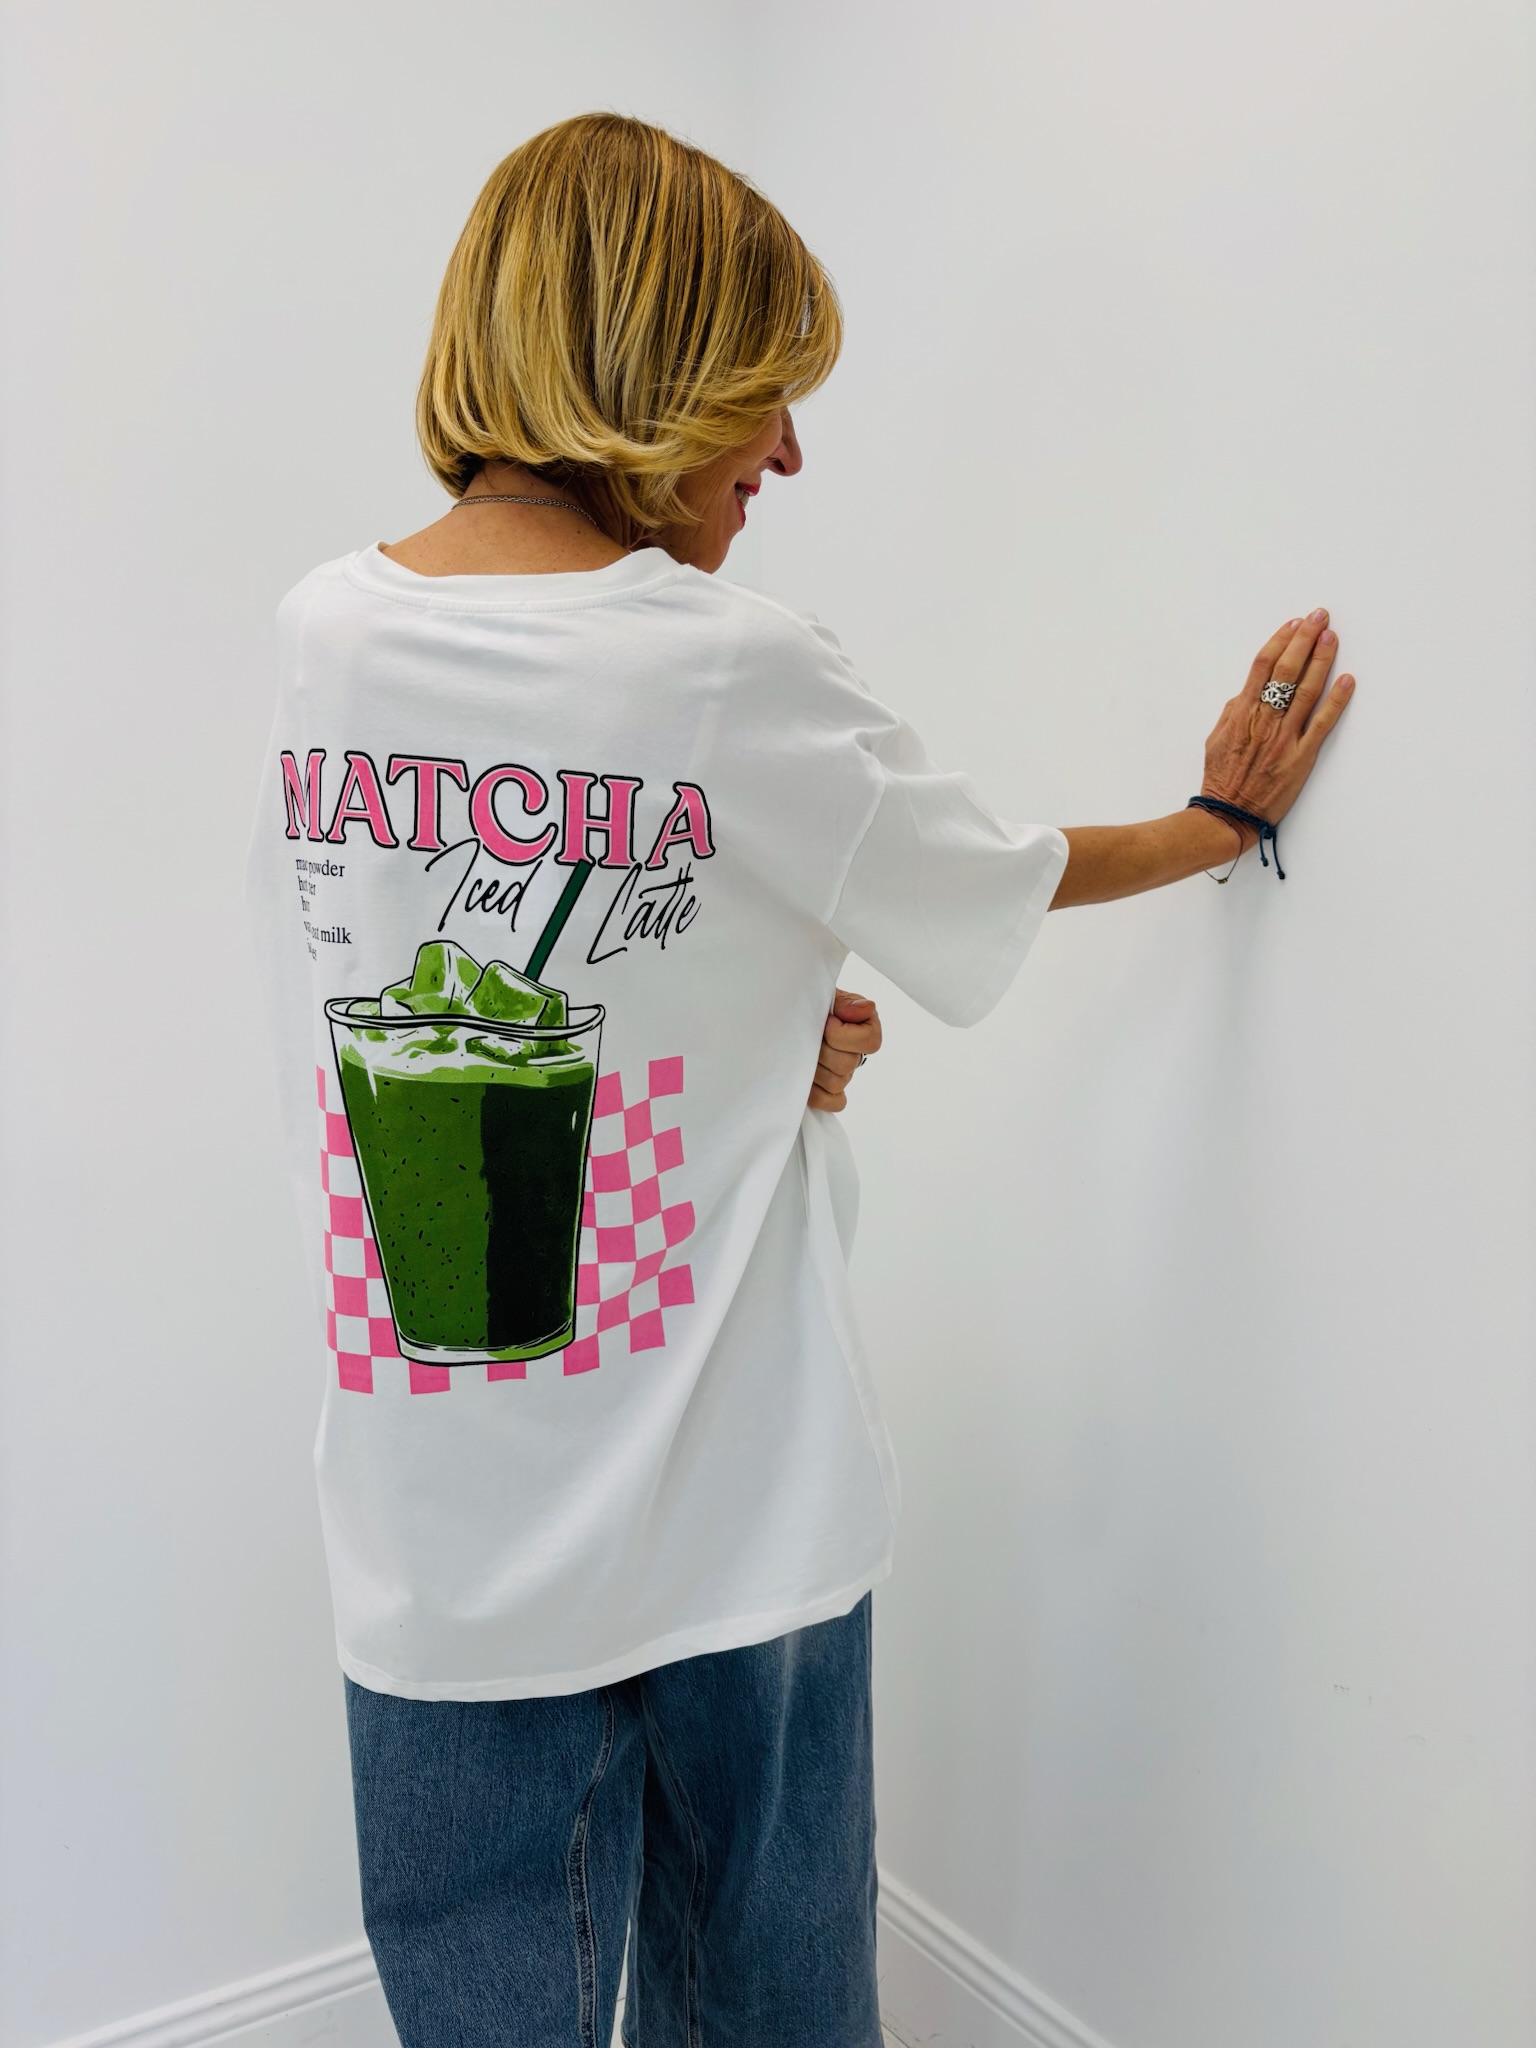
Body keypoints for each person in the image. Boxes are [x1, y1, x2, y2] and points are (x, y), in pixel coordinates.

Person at [245, 112, 1354, 2048]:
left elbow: (404, 982)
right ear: (653, 371)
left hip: (434, 1529)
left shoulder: (322, 638)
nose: (785, 455)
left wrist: (767, 1037)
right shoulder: (718, 663)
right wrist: (1213, 824)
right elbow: (985, 874)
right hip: (733, 1517)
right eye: (764, 395)